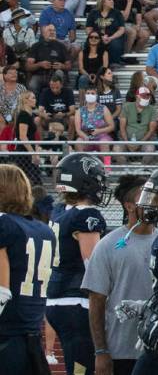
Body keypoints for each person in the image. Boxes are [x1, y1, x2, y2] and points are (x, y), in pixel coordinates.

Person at [83, 174, 156, 375]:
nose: (153, 204)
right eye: (146, 198)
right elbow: (96, 301)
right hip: (121, 350)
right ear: (129, 206)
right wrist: (101, 351)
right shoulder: (107, 246)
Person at [47, 153, 109, 375]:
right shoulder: (87, 214)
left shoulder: (60, 211)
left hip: (57, 297)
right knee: (83, 367)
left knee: (77, 365)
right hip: (76, 300)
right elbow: (93, 265)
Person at [0, 164, 57, 373]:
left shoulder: (4, 224)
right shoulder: (43, 230)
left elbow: (2, 290)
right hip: (30, 338)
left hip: (6, 337)